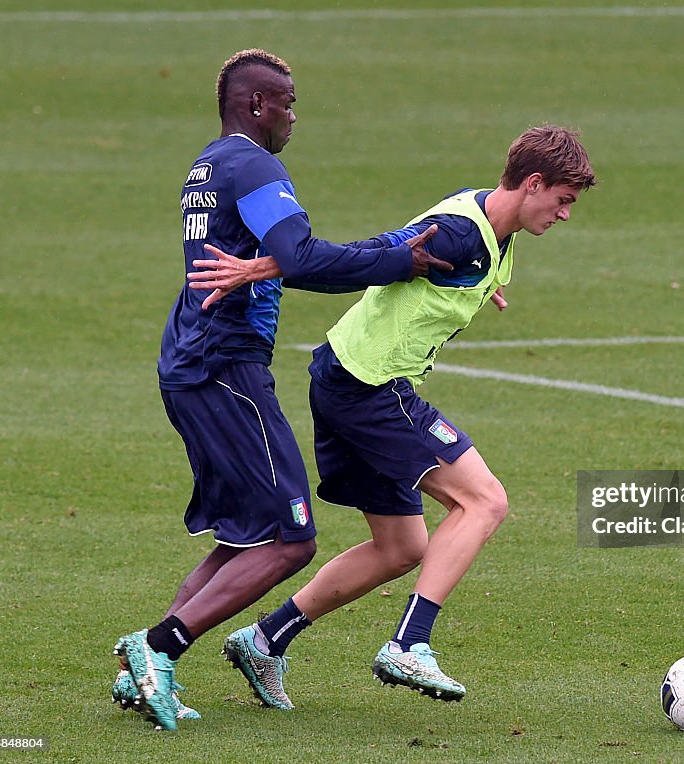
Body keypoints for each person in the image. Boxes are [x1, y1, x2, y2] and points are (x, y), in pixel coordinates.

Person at [187, 124, 596, 706]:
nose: (564, 215)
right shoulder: (459, 236)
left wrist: (480, 289)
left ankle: (265, 640)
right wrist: (262, 269)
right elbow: (375, 252)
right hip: (368, 388)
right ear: (534, 183)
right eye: (562, 201)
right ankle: (410, 644)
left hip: (343, 376)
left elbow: (455, 264)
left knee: (401, 547)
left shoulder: (486, 222)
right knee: (484, 501)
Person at [112, 48, 448, 732]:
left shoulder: (206, 166)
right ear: (258, 105)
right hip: (224, 370)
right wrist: (398, 260)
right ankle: (158, 649)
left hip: (193, 362)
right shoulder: (254, 164)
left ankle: (136, 671)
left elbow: (278, 260)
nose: (293, 117)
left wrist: (387, 251)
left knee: (244, 537)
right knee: (291, 538)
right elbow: (297, 257)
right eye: (287, 103)